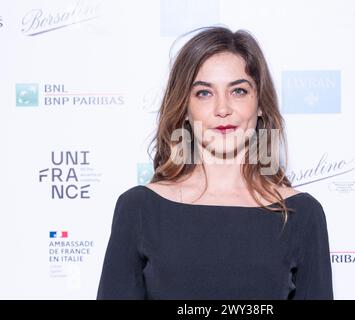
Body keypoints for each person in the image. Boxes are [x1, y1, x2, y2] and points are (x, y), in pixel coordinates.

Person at [97, 26, 333, 300]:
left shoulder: (301, 214)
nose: (223, 109)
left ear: (260, 105)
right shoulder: (139, 208)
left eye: (239, 91)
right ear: (184, 108)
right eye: (204, 93)